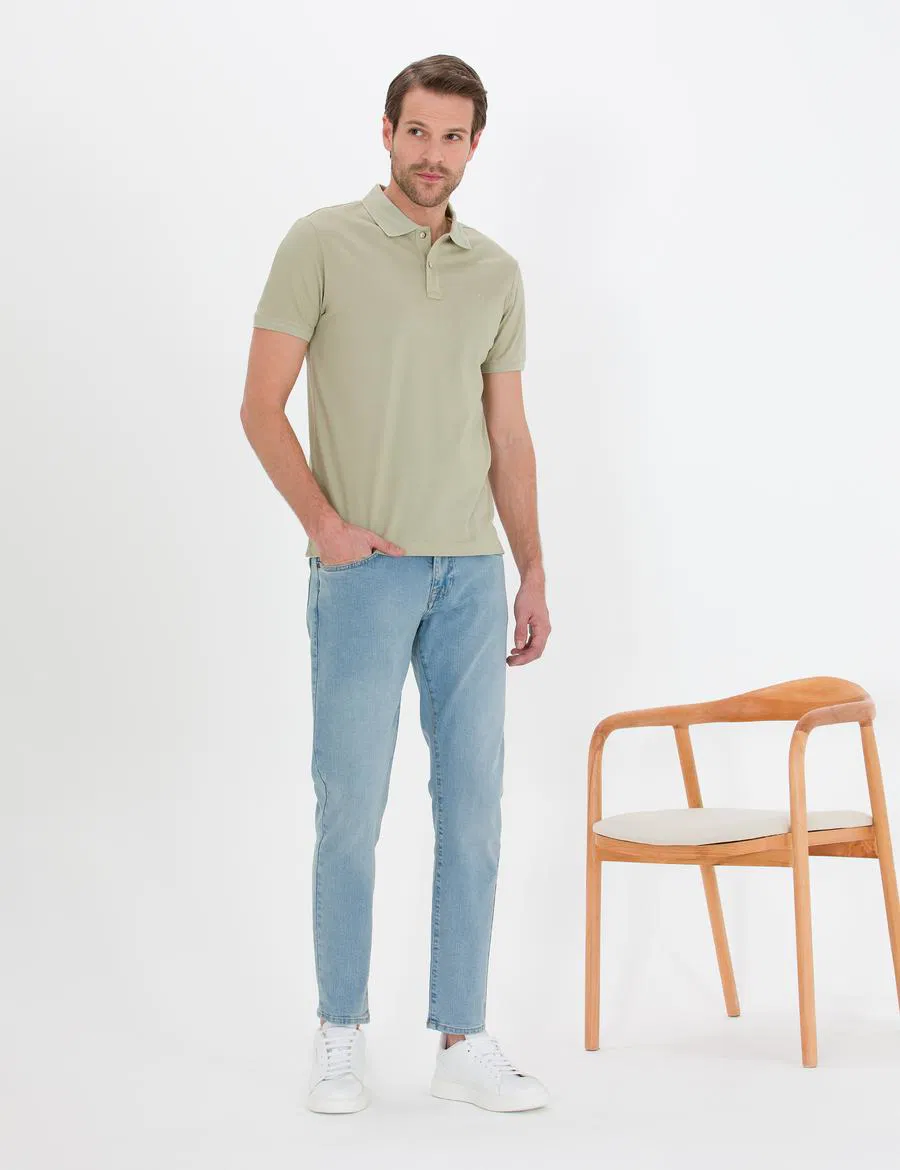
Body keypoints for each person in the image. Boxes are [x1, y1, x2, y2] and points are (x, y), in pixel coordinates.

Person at [241, 53, 551, 1114]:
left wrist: (532, 566)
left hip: (471, 571)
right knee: (350, 808)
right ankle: (340, 1030)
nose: (433, 155)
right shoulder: (320, 242)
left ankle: (463, 1037)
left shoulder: (495, 272)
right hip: (365, 572)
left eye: (453, 137)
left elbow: (509, 435)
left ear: (474, 146)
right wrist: (324, 528)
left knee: (474, 813)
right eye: (417, 132)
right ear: (387, 132)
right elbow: (261, 405)